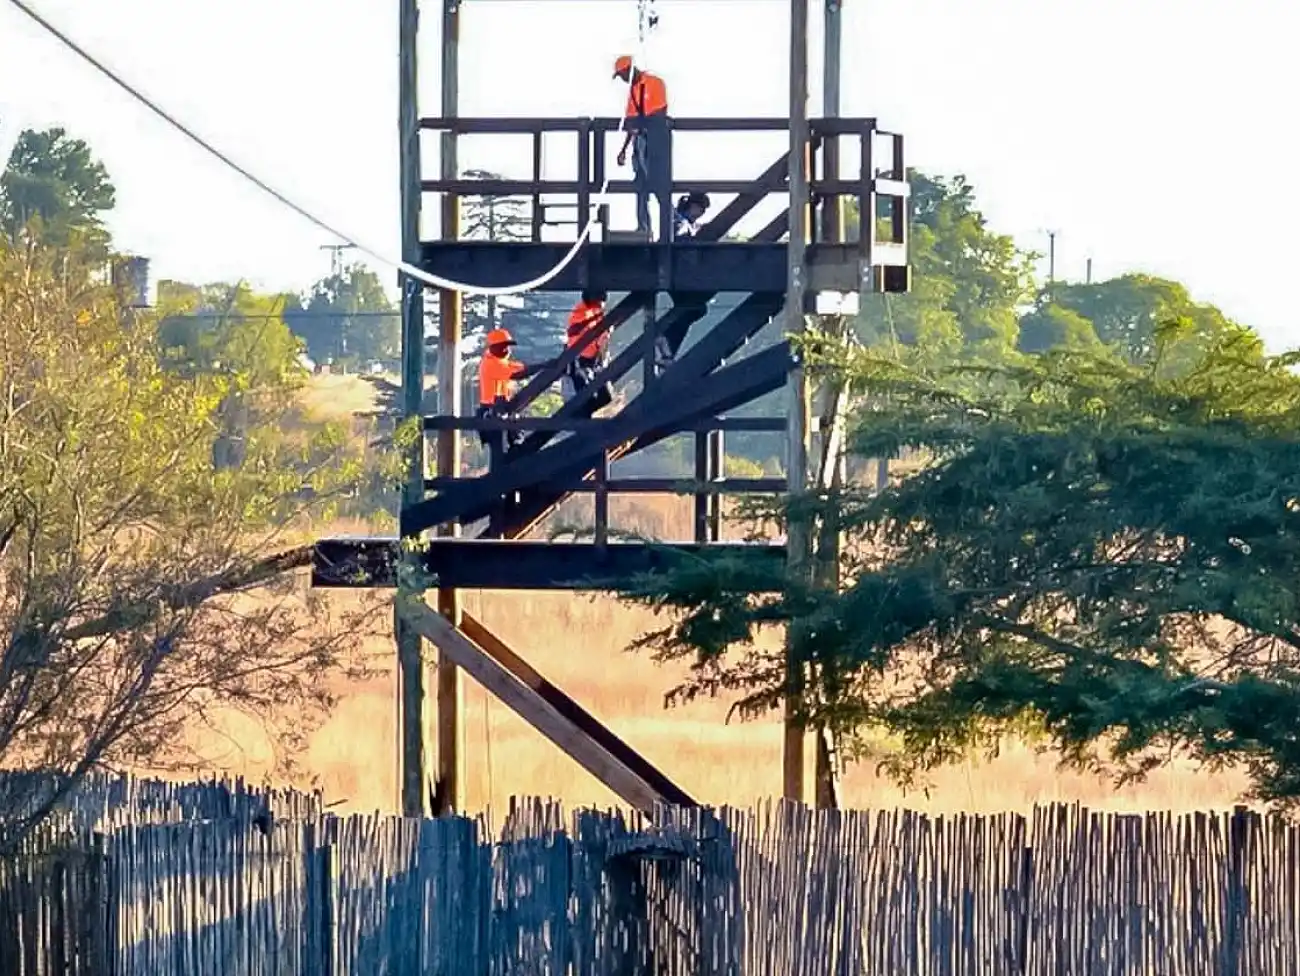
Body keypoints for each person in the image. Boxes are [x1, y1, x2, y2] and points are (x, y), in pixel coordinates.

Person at [612, 56, 671, 239]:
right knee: (640, 185)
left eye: (622, 74)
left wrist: (641, 125)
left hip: (657, 141)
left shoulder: (655, 83)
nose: (621, 79)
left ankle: (666, 232)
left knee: (660, 185)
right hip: (640, 142)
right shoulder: (632, 92)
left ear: (630, 69)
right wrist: (624, 150)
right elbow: (631, 123)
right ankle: (643, 228)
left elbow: (659, 112)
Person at [476, 327, 545, 454]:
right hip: (492, 411)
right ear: (493, 347)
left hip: (501, 408)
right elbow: (519, 374)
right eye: (503, 346)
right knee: (500, 450)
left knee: (512, 439)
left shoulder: (502, 362)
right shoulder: (490, 363)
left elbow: (524, 368)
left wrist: (543, 365)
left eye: (507, 346)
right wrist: (544, 366)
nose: (507, 349)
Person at [565, 289, 614, 411]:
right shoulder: (582, 311)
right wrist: (593, 320)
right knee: (585, 396)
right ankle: (580, 416)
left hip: (595, 361)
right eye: (600, 298)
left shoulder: (597, 312)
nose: (603, 302)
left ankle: (584, 414)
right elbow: (572, 330)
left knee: (606, 397)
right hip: (579, 361)